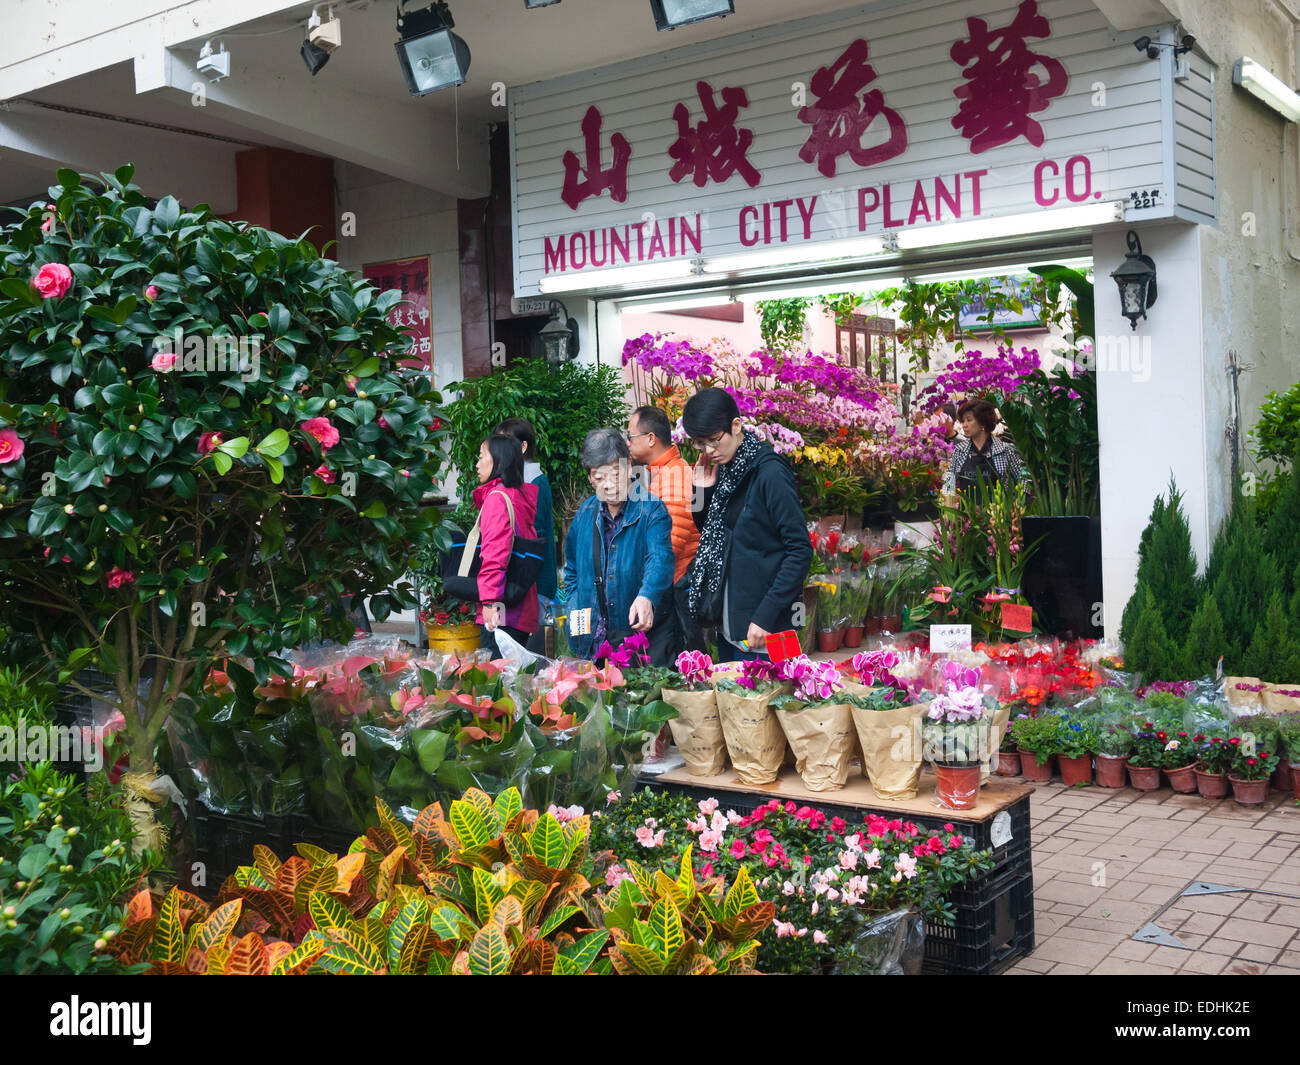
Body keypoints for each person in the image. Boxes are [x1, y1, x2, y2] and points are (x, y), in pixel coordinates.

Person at [684, 388, 811, 662]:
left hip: (769, 628)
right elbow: (711, 532)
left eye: (713, 441)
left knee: (777, 701)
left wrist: (765, 616)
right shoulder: (727, 468)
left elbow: (800, 551)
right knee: (734, 704)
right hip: (731, 623)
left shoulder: (770, 473)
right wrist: (701, 491)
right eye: (699, 443)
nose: (708, 450)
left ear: (736, 425)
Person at [562, 429, 675, 663]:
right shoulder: (584, 514)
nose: (610, 485)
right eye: (600, 477)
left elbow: (659, 559)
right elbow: (572, 570)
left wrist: (646, 596)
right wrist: (574, 607)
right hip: (593, 639)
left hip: (638, 639)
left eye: (616, 473)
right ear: (590, 478)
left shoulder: (651, 509)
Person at [626, 405, 704, 659]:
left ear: (650, 439)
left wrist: (648, 587)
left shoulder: (672, 477)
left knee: (686, 664)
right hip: (677, 585)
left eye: (630, 436)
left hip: (680, 587)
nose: (627, 443)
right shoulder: (664, 472)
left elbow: (671, 544)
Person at [471, 433, 540, 649]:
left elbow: (494, 555)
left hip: (502, 613)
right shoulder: (517, 495)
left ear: (498, 461)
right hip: (521, 608)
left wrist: (490, 603)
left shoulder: (496, 499)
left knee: (495, 679)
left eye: (481, 457)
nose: (477, 464)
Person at [496, 417, 557, 651]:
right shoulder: (518, 479)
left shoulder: (533, 481)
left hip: (534, 584)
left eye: (506, 442)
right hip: (524, 584)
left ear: (523, 447)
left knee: (526, 655)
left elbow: (534, 538)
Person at [942, 398, 1026, 499]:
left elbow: (1024, 479)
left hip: (998, 512)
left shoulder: (1006, 451)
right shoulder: (960, 451)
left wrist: (1017, 505)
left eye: (969, 420)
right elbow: (949, 482)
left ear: (983, 423)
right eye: (963, 421)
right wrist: (949, 511)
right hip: (967, 513)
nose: (964, 425)